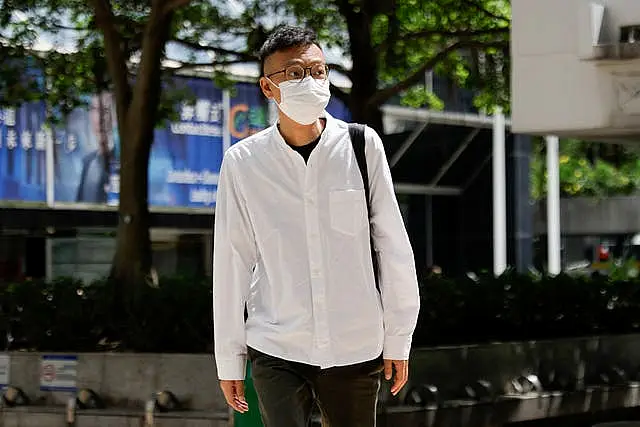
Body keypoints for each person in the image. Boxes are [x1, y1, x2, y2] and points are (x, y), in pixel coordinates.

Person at [212, 25, 420, 427]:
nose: (309, 81)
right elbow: (232, 262)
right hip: (276, 342)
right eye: (294, 73)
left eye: (318, 71)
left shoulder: (362, 146)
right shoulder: (243, 163)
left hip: (355, 345)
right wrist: (230, 359)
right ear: (268, 88)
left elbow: (393, 245)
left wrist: (399, 337)